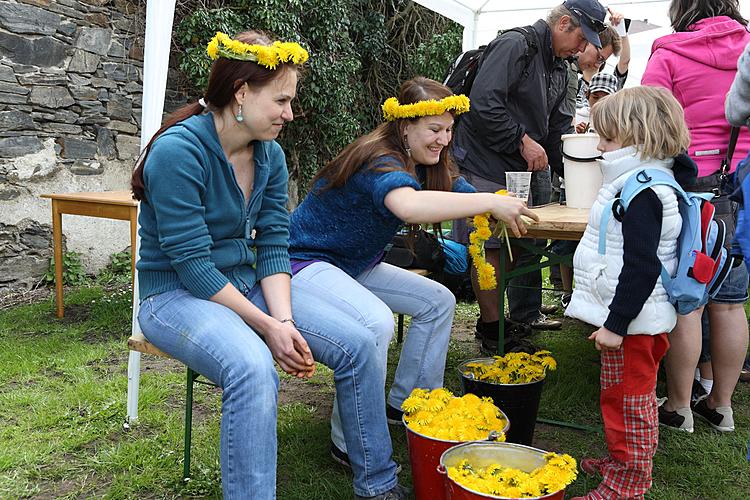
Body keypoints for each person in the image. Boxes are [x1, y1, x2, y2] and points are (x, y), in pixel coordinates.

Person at [131, 31, 405, 500]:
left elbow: (276, 243)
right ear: (241, 92)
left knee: (358, 343)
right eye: (281, 100)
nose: (289, 113)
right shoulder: (180, 152)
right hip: (174, 294)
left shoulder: (269, 154)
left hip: (243, 284)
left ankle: (378, 484)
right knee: (254, 366)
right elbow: (194, 266)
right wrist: (267, 328)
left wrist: (284, 319)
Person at [288, 77, 537, 481]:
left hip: (355, 264)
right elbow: (407, 206)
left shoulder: (424, 162)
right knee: (374, 323)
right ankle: (348, 443)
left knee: (438, 301)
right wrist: (489, 201)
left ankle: (408, 406)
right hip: (304, 263)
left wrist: (500, 201)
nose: (442, 140)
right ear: (405, 126)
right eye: (434, 130)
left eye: (449, 130)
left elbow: (457, 188)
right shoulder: (380, 159)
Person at [451, 0, 608, 349]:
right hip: (482, 160)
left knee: (517, 242)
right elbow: (483, 104)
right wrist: (521, 139)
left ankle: (495, 319)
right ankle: (492, 332)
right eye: (582, 39)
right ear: (564, 23)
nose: (583, 49)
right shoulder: (515, 45)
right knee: (489, 245)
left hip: (515, 168)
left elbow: (556, 130)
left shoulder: (558, 67)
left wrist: (579, 168)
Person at [565, 86, 694, 500]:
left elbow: (641, 266)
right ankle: (620, 461)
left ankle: (629, 483)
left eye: (607, 138)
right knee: (617, 396)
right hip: (631, 320)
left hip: (635, 323)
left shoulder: (642, 191)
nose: (600, 147)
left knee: (633, 404)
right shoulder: (640, 181)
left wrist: (616, 324)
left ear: (637, 135)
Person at [642, 0, 750, 433]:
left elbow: (649, 124)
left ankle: (680, 407)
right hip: (746, 188)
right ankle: (722, 406)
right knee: (731, 304)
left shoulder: (668, 53)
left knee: (688, 300)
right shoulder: (749, 46)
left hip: (694, 188)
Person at [726, 40, 750, 386]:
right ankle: (721, 400)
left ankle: (701, 391)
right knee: (730, 303)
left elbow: (735, 110)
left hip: (713, 175)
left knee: (714, 299)